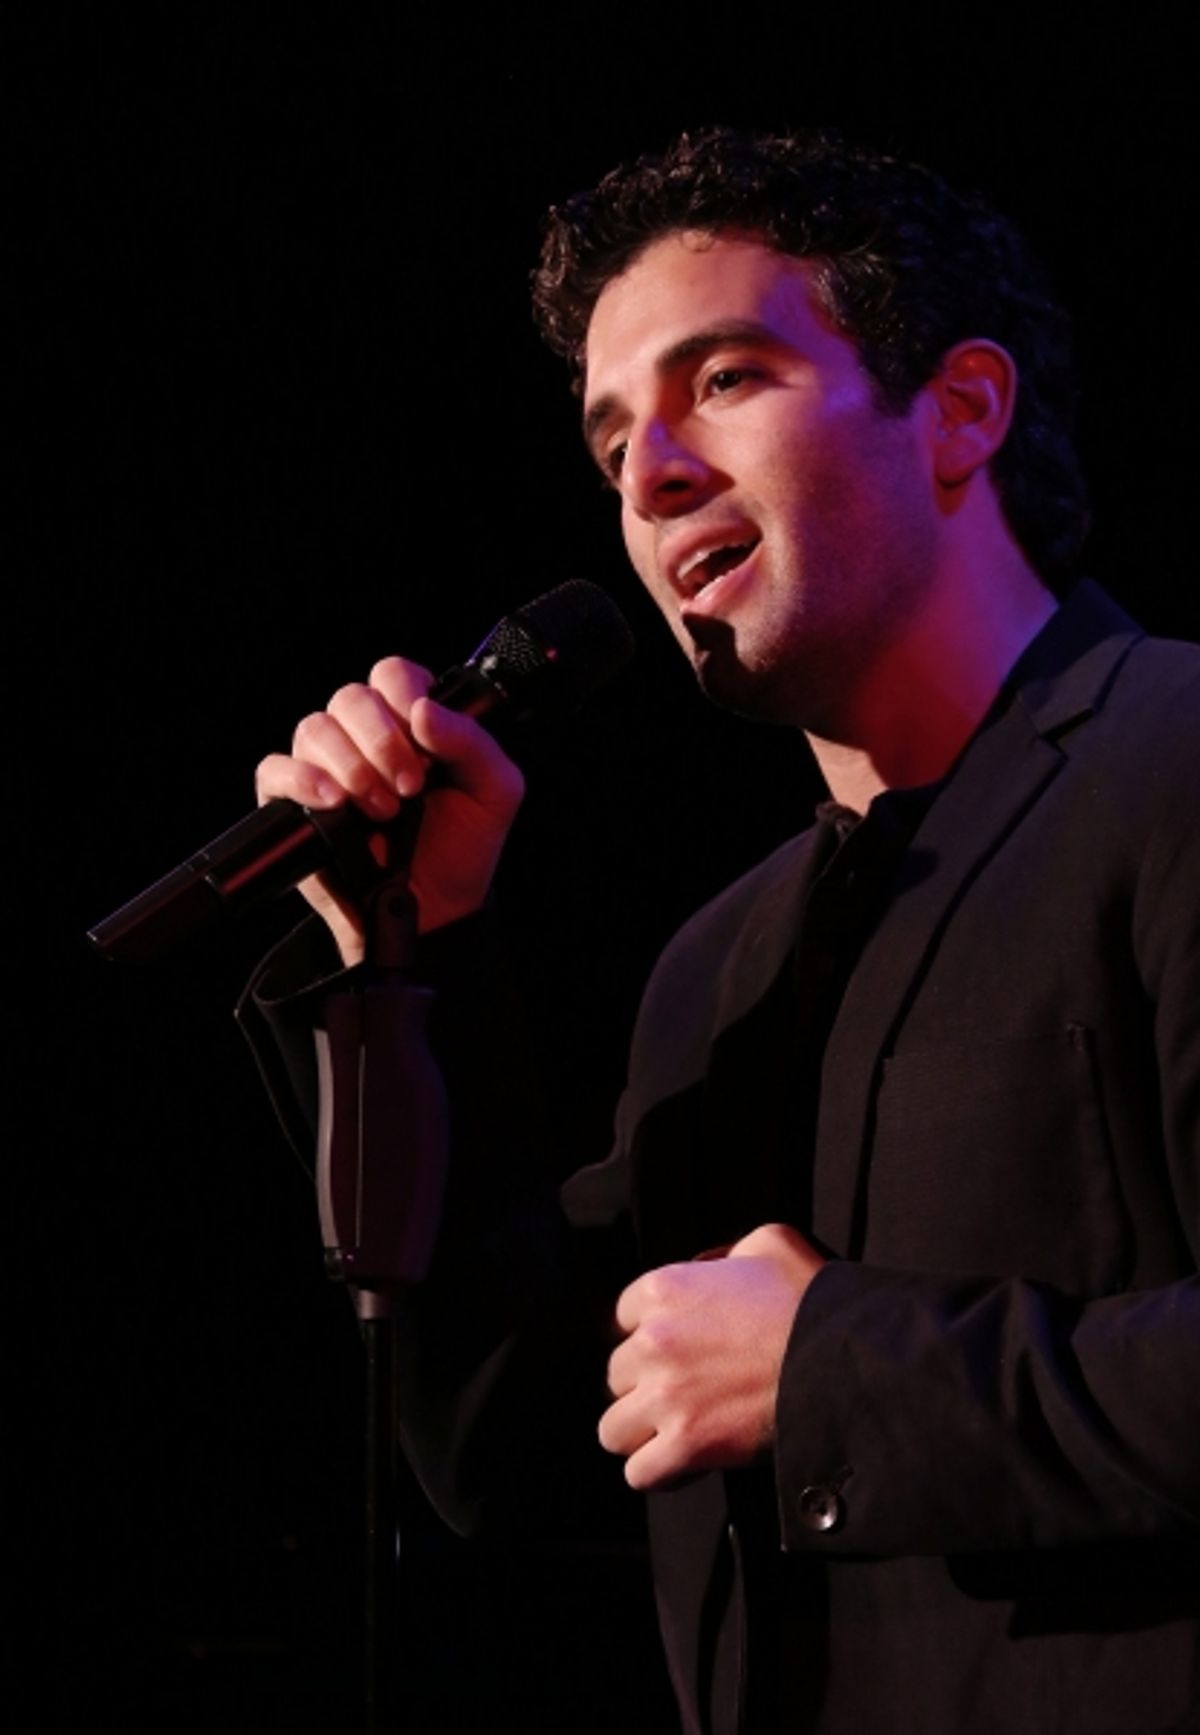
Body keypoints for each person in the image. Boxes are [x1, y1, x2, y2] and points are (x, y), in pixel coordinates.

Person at [242, 129, 1199, 1734]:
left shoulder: (1173, 765)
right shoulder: (721, 967)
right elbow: (507, 1444)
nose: (649, 472)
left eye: (727, 380)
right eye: (612, 434)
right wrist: (410, 959)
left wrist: (839, 1374)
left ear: (961, 410)